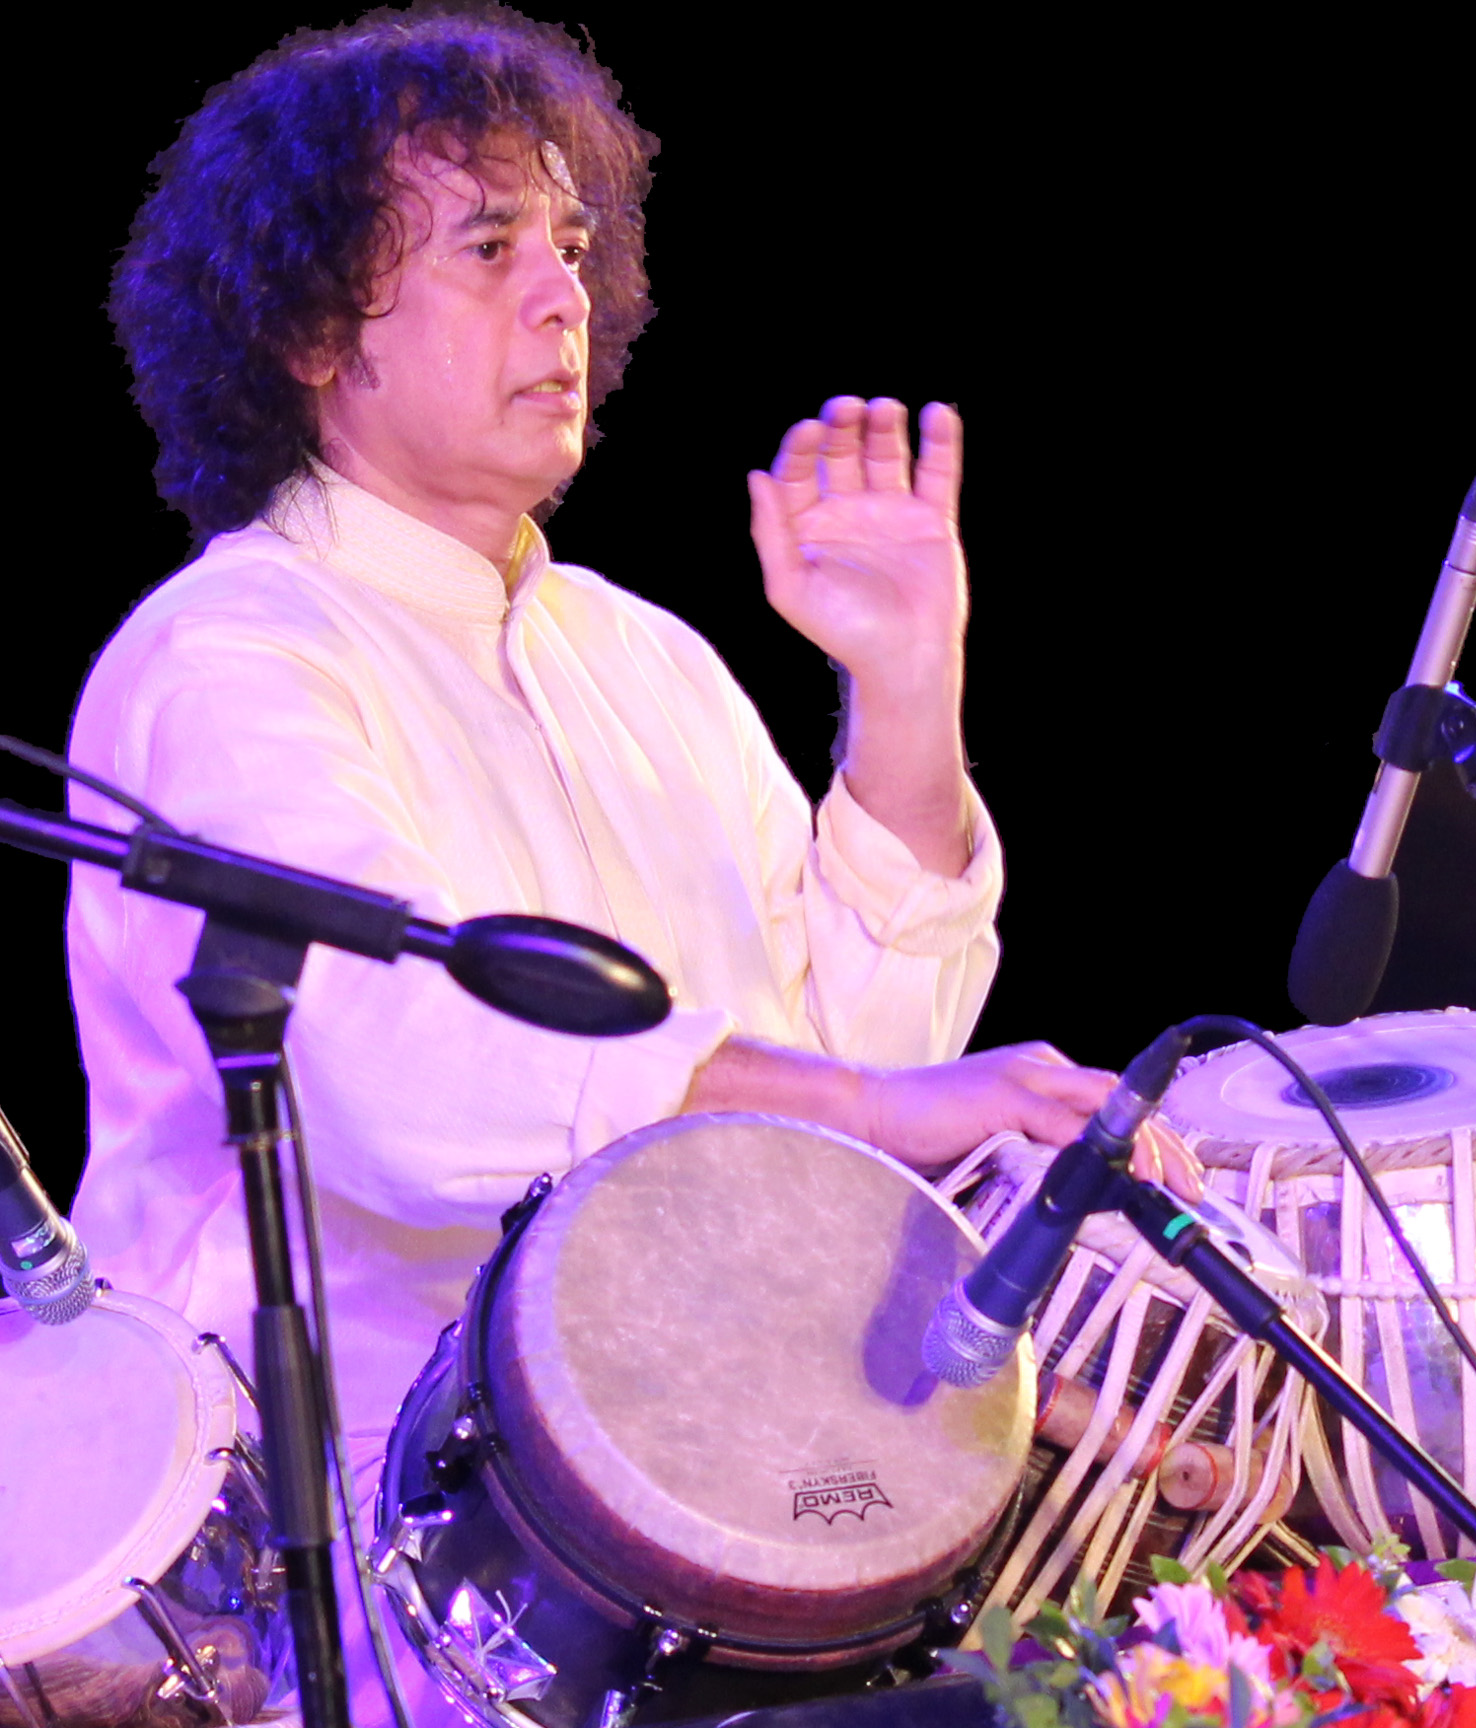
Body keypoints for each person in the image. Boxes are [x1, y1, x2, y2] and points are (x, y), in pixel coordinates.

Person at [66, 5, 1197, 1717]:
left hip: (686, 1517)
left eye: (576, 247)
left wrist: (908, 688)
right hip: (349, 1573)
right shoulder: (232, 658)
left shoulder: (636, 654)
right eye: (490, 246)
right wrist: (884, 1110)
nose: (563, 298)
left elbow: (844, 1072)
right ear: (308, 325)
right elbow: (407, 1076)